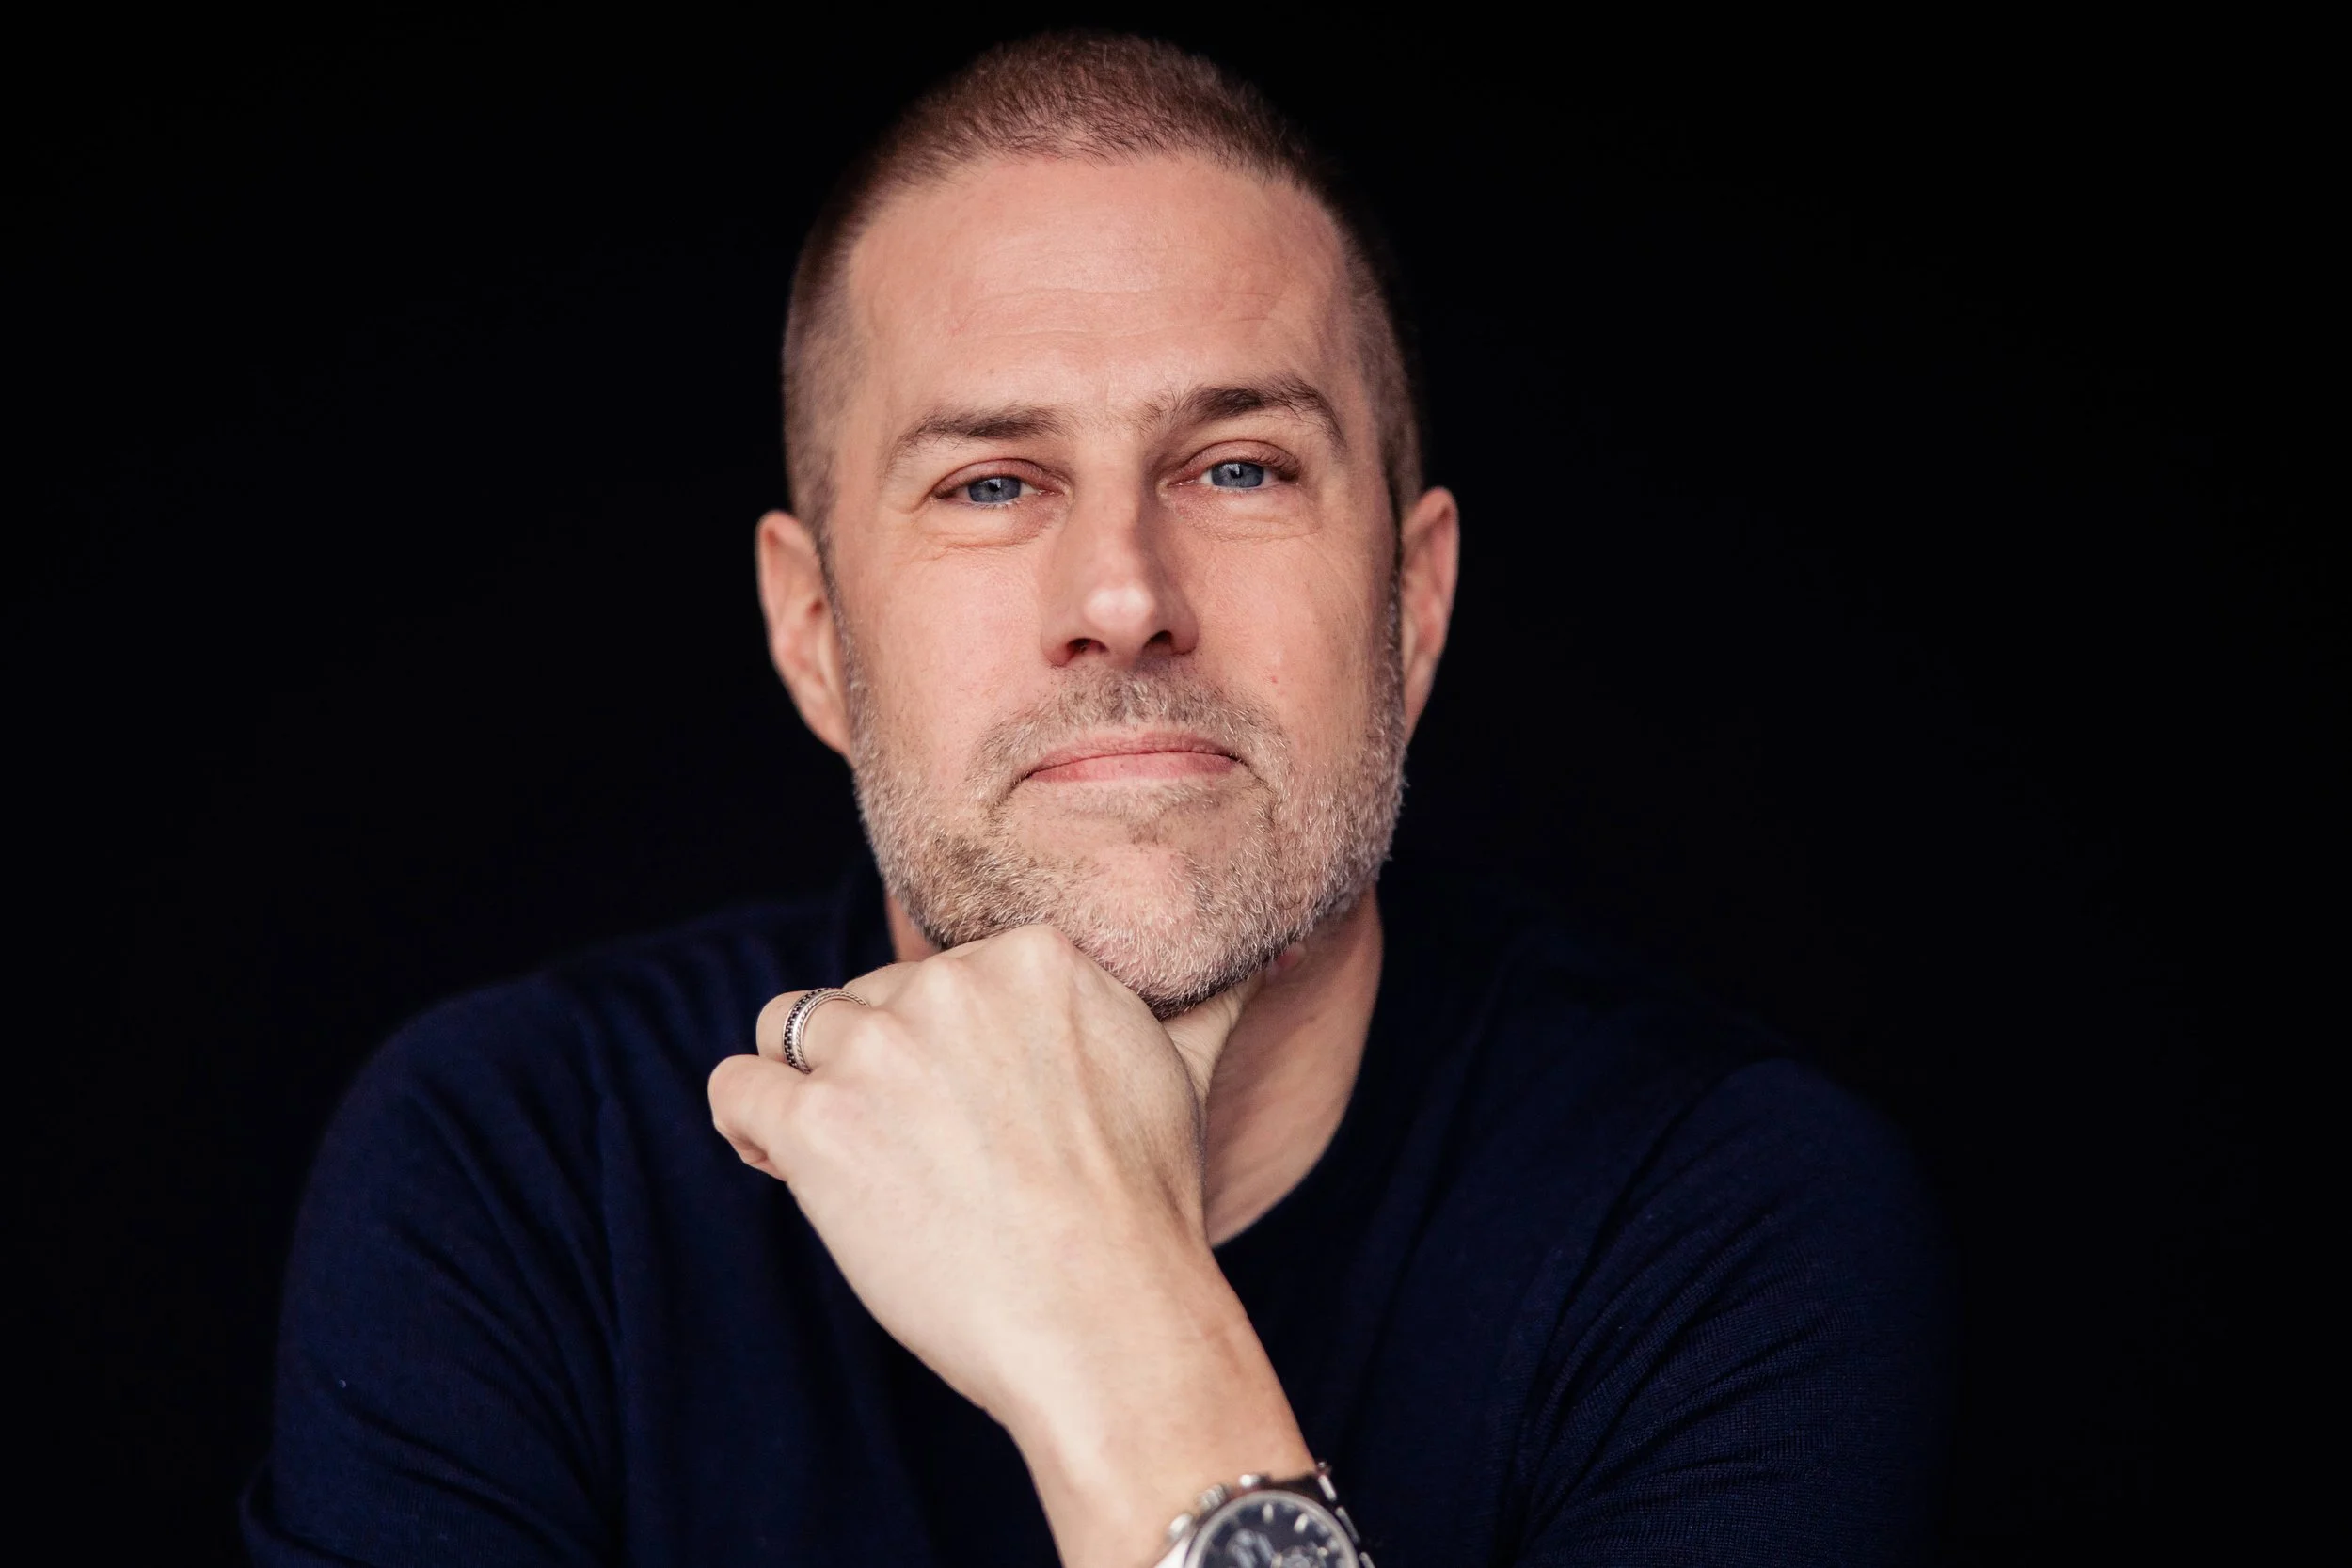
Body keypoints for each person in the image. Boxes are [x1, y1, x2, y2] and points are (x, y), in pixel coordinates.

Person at [246, 32, 1950, 1567]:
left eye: (1238, 466)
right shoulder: (522, 1167)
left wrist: (1121, 1340)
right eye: (993, 483)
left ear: (1413, 607)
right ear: (817, 631)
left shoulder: (1728, 1219)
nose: (1124, 594)